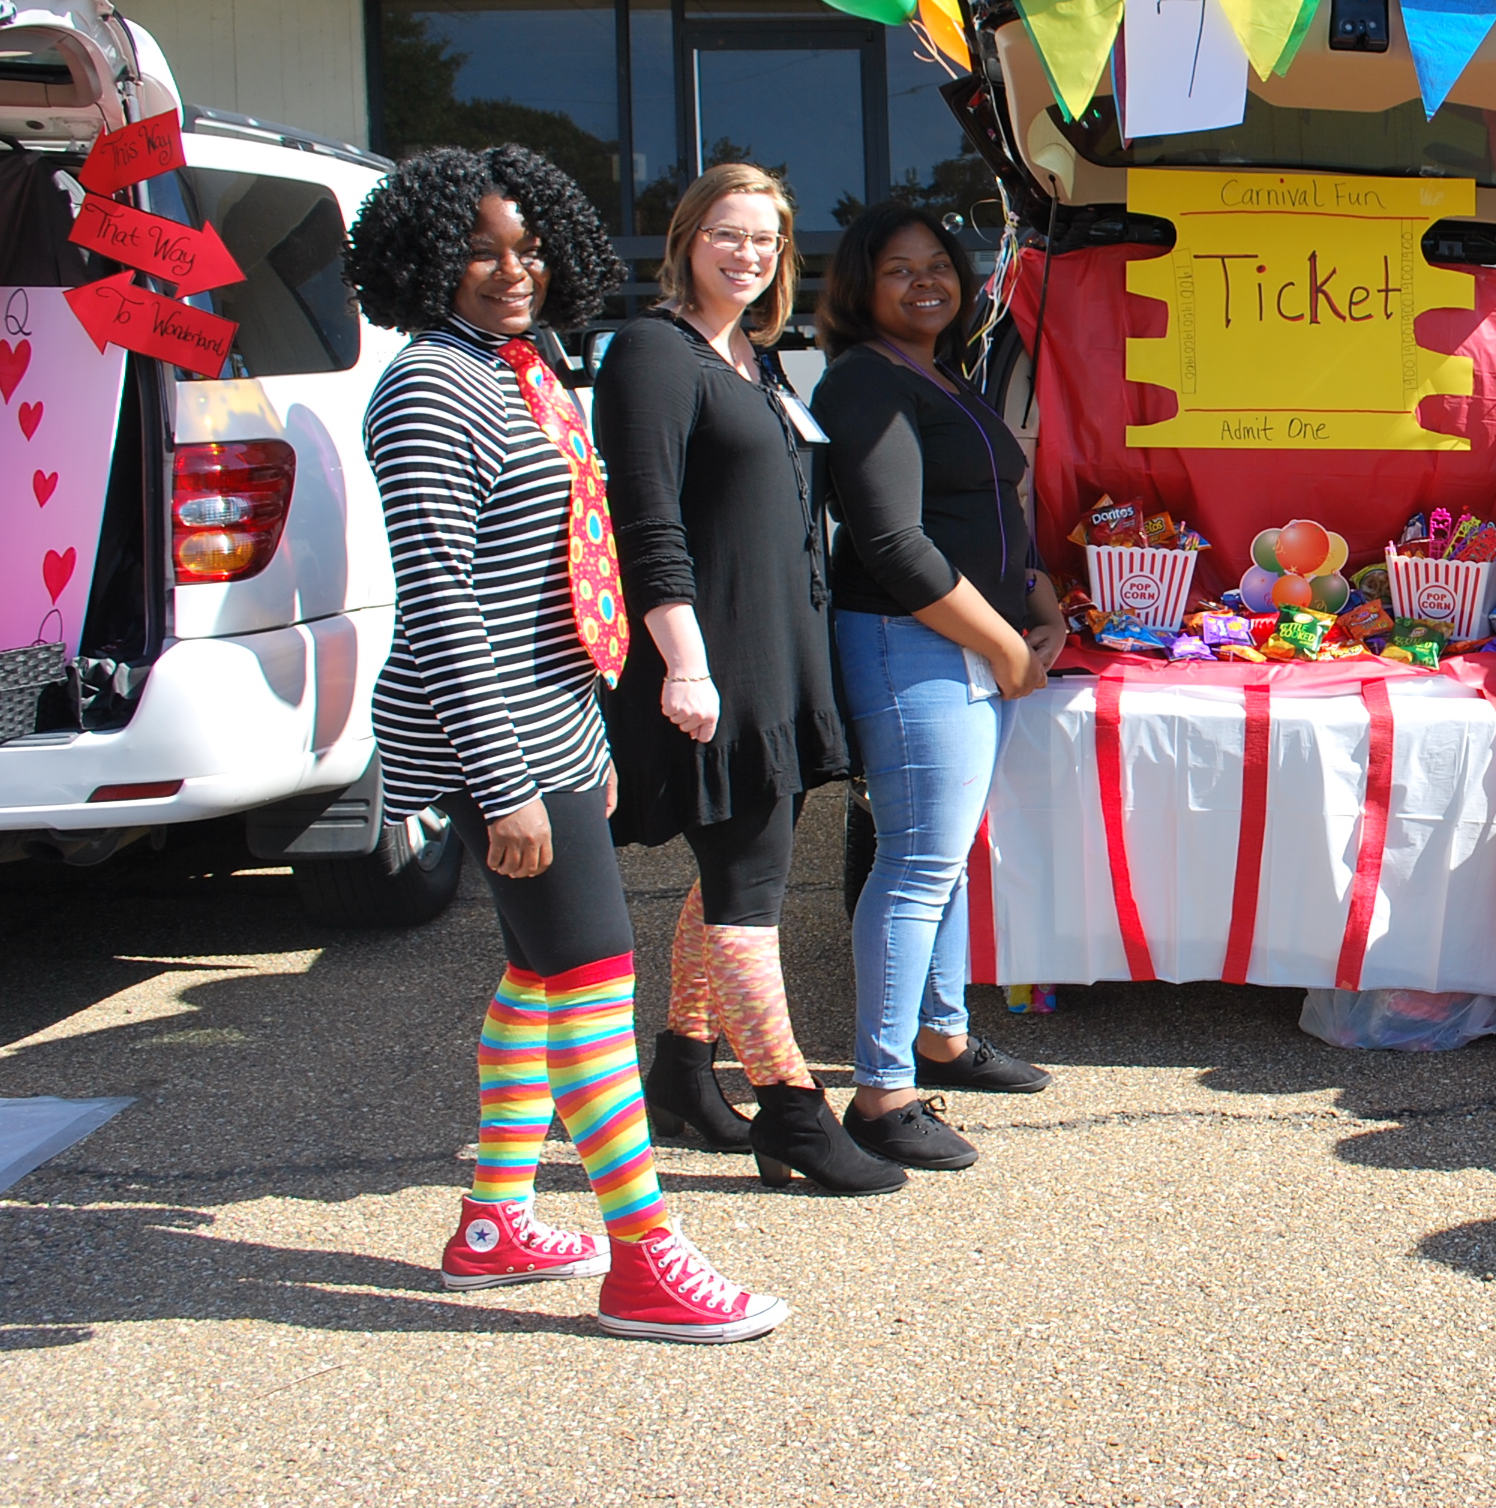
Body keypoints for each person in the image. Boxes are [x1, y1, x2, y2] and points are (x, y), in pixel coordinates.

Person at [350, 145, 784, 1343]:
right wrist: (507, 786)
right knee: (593, 976)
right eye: (480, 250)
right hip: (493, 735)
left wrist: (584, 734)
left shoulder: (520, 368)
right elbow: (441, 601)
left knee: (544, 976)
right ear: (422, 259)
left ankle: (494, 1218)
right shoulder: (434, 386)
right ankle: (647, 1260)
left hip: (547, 720)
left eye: (530, 246)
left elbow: (547, 577)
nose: (511, 270)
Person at [593, 163, 891, 1194]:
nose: (747, 255)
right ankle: (792, 1112)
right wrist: (684, 664)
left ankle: (679, 1068)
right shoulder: (651, 353)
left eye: (764, 240)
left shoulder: (754, 359)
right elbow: (647, 521)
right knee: (749, 894)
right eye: (728, 234)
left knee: (737, 870)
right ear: (684, 238)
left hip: (778, 659)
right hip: (712, 663)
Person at [816, 206, 1064, 1172]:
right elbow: (892, 542)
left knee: (948, 857)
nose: (925, 283)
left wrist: (1039, 601)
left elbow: (990, 507)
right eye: (897, 271)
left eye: (938, 267)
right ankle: (881, 1093)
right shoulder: (862, 382)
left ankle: (944, 1038)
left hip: (973, 638)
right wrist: (1006, 648)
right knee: (916, 862)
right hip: (908, 643)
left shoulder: (937, 373)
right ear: (860, 290)